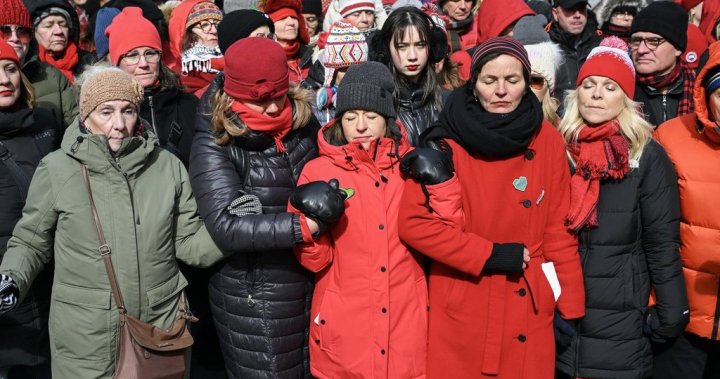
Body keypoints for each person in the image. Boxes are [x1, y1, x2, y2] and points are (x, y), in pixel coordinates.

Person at [0, 62, 230, 378]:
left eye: (128, 111)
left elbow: (190, 242)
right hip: (86, 337)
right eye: (106, 112)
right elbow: (31, 239)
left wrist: (235, 228)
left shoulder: (167, 166)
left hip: (159, 329)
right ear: (85, 117)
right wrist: (12, 277)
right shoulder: (57, 169)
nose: (118, 124)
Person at [397, 36, 586, 379]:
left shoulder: (546, 138)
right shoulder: (445, 140)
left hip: (528, 300)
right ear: (474, 84)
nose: (501, 91)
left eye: (512, 81)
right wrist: (488, 254)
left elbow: (558, 227)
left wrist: (569, 302)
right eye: (489, 81)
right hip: (465, 296)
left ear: (527, 84)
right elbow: (415, 224)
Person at [554, 36, 689, 379]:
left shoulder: (646, 156)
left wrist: (670, 317)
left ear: (626, 98)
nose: (597, 94)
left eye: (610, 87)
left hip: (622, 326)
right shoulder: (558, 150)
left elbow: (662, 244)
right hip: (560, 324)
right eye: (589, 85)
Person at [189, 37, 320, 379]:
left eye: (279, 97)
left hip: (313, 281)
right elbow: (227, 226)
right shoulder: (214, 141)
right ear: (232, 95)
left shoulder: (303, 123)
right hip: (255, 296)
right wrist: (301, 227)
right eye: (260, 102)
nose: (275, 109)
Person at [290, 61, 428, 378]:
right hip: (345, 329)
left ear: (388, 120)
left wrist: (443, 185)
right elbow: (314, 260)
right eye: (351, 117)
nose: (361, 126)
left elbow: (442, 233)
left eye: (371, 116)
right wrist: (311, 230)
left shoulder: (410, 167)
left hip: (405, 324)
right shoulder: (318, 171)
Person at [652, 40, 720, 379]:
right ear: (705, 95)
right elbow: (647, 230)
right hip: (682, 317)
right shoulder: (671, 137)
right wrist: (656, 305)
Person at [0, 38, 58, 379]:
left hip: (51, 283)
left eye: (10, 69)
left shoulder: (45, 124)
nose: (5, 80)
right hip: (7, 297)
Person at [106, 6, 197, 165]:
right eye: (132, 55)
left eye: (150, 53)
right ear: (117, 62)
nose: (143, 64)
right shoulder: (105, 113)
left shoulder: (190, 105)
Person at [369, 6, 445, 146]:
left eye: (420, 45)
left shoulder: (447, 102)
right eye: (402, 46)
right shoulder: (375, 105)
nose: (412, 56)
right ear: (386, 49)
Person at [1, 0, 77, 130]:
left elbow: (76, 130)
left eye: (23, 32)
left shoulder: (52, 75)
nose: (15, 38)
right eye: (4, 31)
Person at [629, 1, 694, 127]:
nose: (642, 50)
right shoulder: (620, 89)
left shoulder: (700, 91)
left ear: (678, 48)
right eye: (636, 41)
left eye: (654, 41)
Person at [311, 20, 368, 125]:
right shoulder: (312, 104)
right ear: (330, 72)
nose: (352, 74)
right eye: (344, 69)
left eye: (357, 68)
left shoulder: (372, 98)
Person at [26, 0, 96, 82]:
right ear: (33, 32)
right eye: (48, 26)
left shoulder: (90, 64)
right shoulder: (26, 68)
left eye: (63, 24)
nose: (58, 31)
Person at [547, 0, 602, 102]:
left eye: (581, 9)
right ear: (555, 13)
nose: (577, 15)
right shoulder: (545, 46)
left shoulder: (601, 45)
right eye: (570, 9)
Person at [167, 0, 224, 96]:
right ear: (186, 33)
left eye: (217, 24)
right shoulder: (171, 74)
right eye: (205, 25)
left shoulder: (233, 61)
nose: (214, 31)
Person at [515, 14, 564, 126]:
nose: (525, 88)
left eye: (535, 81)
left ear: (549, 87)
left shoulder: (562, 133)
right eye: (515, 80)